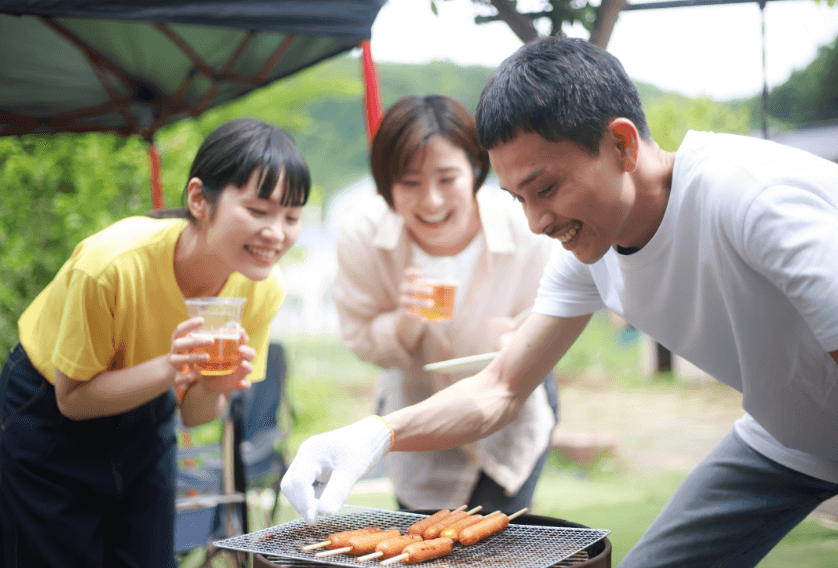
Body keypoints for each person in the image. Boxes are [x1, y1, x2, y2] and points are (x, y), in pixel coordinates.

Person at [280, 36, 838, 566]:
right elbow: (500, 387)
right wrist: (377, 434)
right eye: (518, 198)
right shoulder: (587, 254)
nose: (537, 222)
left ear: (621, 143)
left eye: (546, 189)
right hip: (785, 439)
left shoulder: (753, 202)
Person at [0, 117, 310, 568]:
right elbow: (73, 400)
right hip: (48, 412)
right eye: (259, 211)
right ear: (200, 200)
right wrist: (172, 367)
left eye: (292, 216)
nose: (276, 234)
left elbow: (194, 413)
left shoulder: (262, 286)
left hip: (145, 416)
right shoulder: (111, 265)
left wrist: (216, 387)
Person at [331, 94, 557, 513]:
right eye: (410, 183)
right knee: (425, 543)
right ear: (385, 186)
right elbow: (360, 336)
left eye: (447, 178)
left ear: (475, 170)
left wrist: (518, 339)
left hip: (510, 408)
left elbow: (550, 317)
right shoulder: (362, 236)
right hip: (416, 413)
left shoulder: (526, 228)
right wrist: (403, 322)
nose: (431, 201)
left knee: (493, 545)